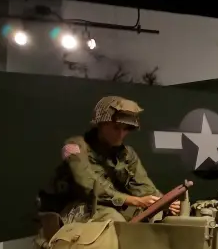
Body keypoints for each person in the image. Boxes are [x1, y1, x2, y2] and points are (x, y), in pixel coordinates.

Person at [41, 96, 180, 224]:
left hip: (112, 205)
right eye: (116, 128)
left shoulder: (126, 154)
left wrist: (163, 202)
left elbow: (143, 186)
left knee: (156, 214)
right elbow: (88, 185)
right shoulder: (75, 146)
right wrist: (135, 201)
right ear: (100, 124)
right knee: (114, 221)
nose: (121, 134)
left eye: (126, 129)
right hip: (76, 207)